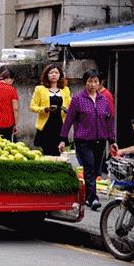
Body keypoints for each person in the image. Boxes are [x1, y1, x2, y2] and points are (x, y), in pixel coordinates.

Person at [59, 69, 116, 210]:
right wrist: (62, 139)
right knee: (89, 167)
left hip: (100, 139)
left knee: (96, 170)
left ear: (99, 83)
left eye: (95, 81)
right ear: (85, 83)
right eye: (90, 81)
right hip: (83, 140)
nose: (92, 84)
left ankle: (88, 196)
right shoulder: (78, 99)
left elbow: (109, 120)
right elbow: (69, 120)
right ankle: (93, 198)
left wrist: (112, 140)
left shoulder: (104, 100)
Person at [30, 64, 72, 156]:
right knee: (47, 153)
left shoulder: (65, 90)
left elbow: (71, 106)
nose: (54, 75)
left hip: (60, 125)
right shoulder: (40, 89)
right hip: (46, 125)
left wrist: (66, 110)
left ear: (60, 75)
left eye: (56, 73)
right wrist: (45, 109)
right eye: (51, 73)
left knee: (59, 153)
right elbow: (33, 107)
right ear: (47, 75)